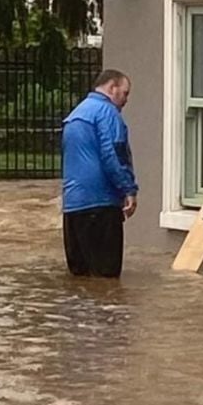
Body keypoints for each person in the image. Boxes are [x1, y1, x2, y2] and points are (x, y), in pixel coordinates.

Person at [61, 69, 138, 277]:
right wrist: (129, 190)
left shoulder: (76, 114)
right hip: (101, 205)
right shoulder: (108, 113)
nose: (125, 100)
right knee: (107, 280)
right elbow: (114, 155)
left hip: (72, 208)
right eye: (125, 93)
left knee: (81, 280)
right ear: (112, 88)